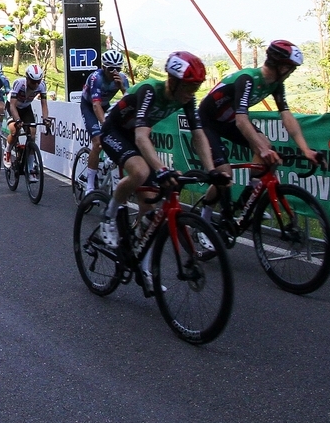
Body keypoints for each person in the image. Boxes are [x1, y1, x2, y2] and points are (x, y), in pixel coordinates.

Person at [95, 52, 222, 268]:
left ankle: (143, 268)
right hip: (114, 131)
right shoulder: (150, 90)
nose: (191, 93)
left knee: (150, 207)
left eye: (196, 87)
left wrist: (212, 171)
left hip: (137, 135)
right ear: (173, 81)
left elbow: (198, 135)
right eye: (188, 87)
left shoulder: (187, 99)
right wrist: (161, 169)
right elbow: (141, 136)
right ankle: (109, 214)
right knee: (140, 172)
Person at [196, 40, 322, 207]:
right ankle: (205, 217)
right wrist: (262, 149)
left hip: (228, 120)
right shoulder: (247, 79)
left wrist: (305, 149)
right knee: (225, 175)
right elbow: (241, 120)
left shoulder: (276, 84)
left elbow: (287, 116)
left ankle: (246, 204)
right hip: (207, 122)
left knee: (270, 154)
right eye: (291, 68)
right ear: (281, 66)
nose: (292, 72)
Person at [78, 49, 131, 188]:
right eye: (111, 68)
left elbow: (129, 100)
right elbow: (96, 105)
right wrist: (105, 124)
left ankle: (105, 166)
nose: (114, 72)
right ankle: (89, 185)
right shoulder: (96, 78)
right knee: (97, 142)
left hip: (105, 104)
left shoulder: (122, 78)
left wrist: (122, 87)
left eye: (118, 68)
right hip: (89, 106)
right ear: (103, 67)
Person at [3, 64, 50, 171]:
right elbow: (12, 105)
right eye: (33, 82)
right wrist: (18, 120)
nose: (36, 84)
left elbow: (44, 104)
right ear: (27, 78)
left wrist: (46, 119)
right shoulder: (19, 83)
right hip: (12, 106)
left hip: (26, 108)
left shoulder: (42, 85)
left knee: (32, 135)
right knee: (14, 130)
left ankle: (30, 167)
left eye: (38, 81)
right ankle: (8, 151)